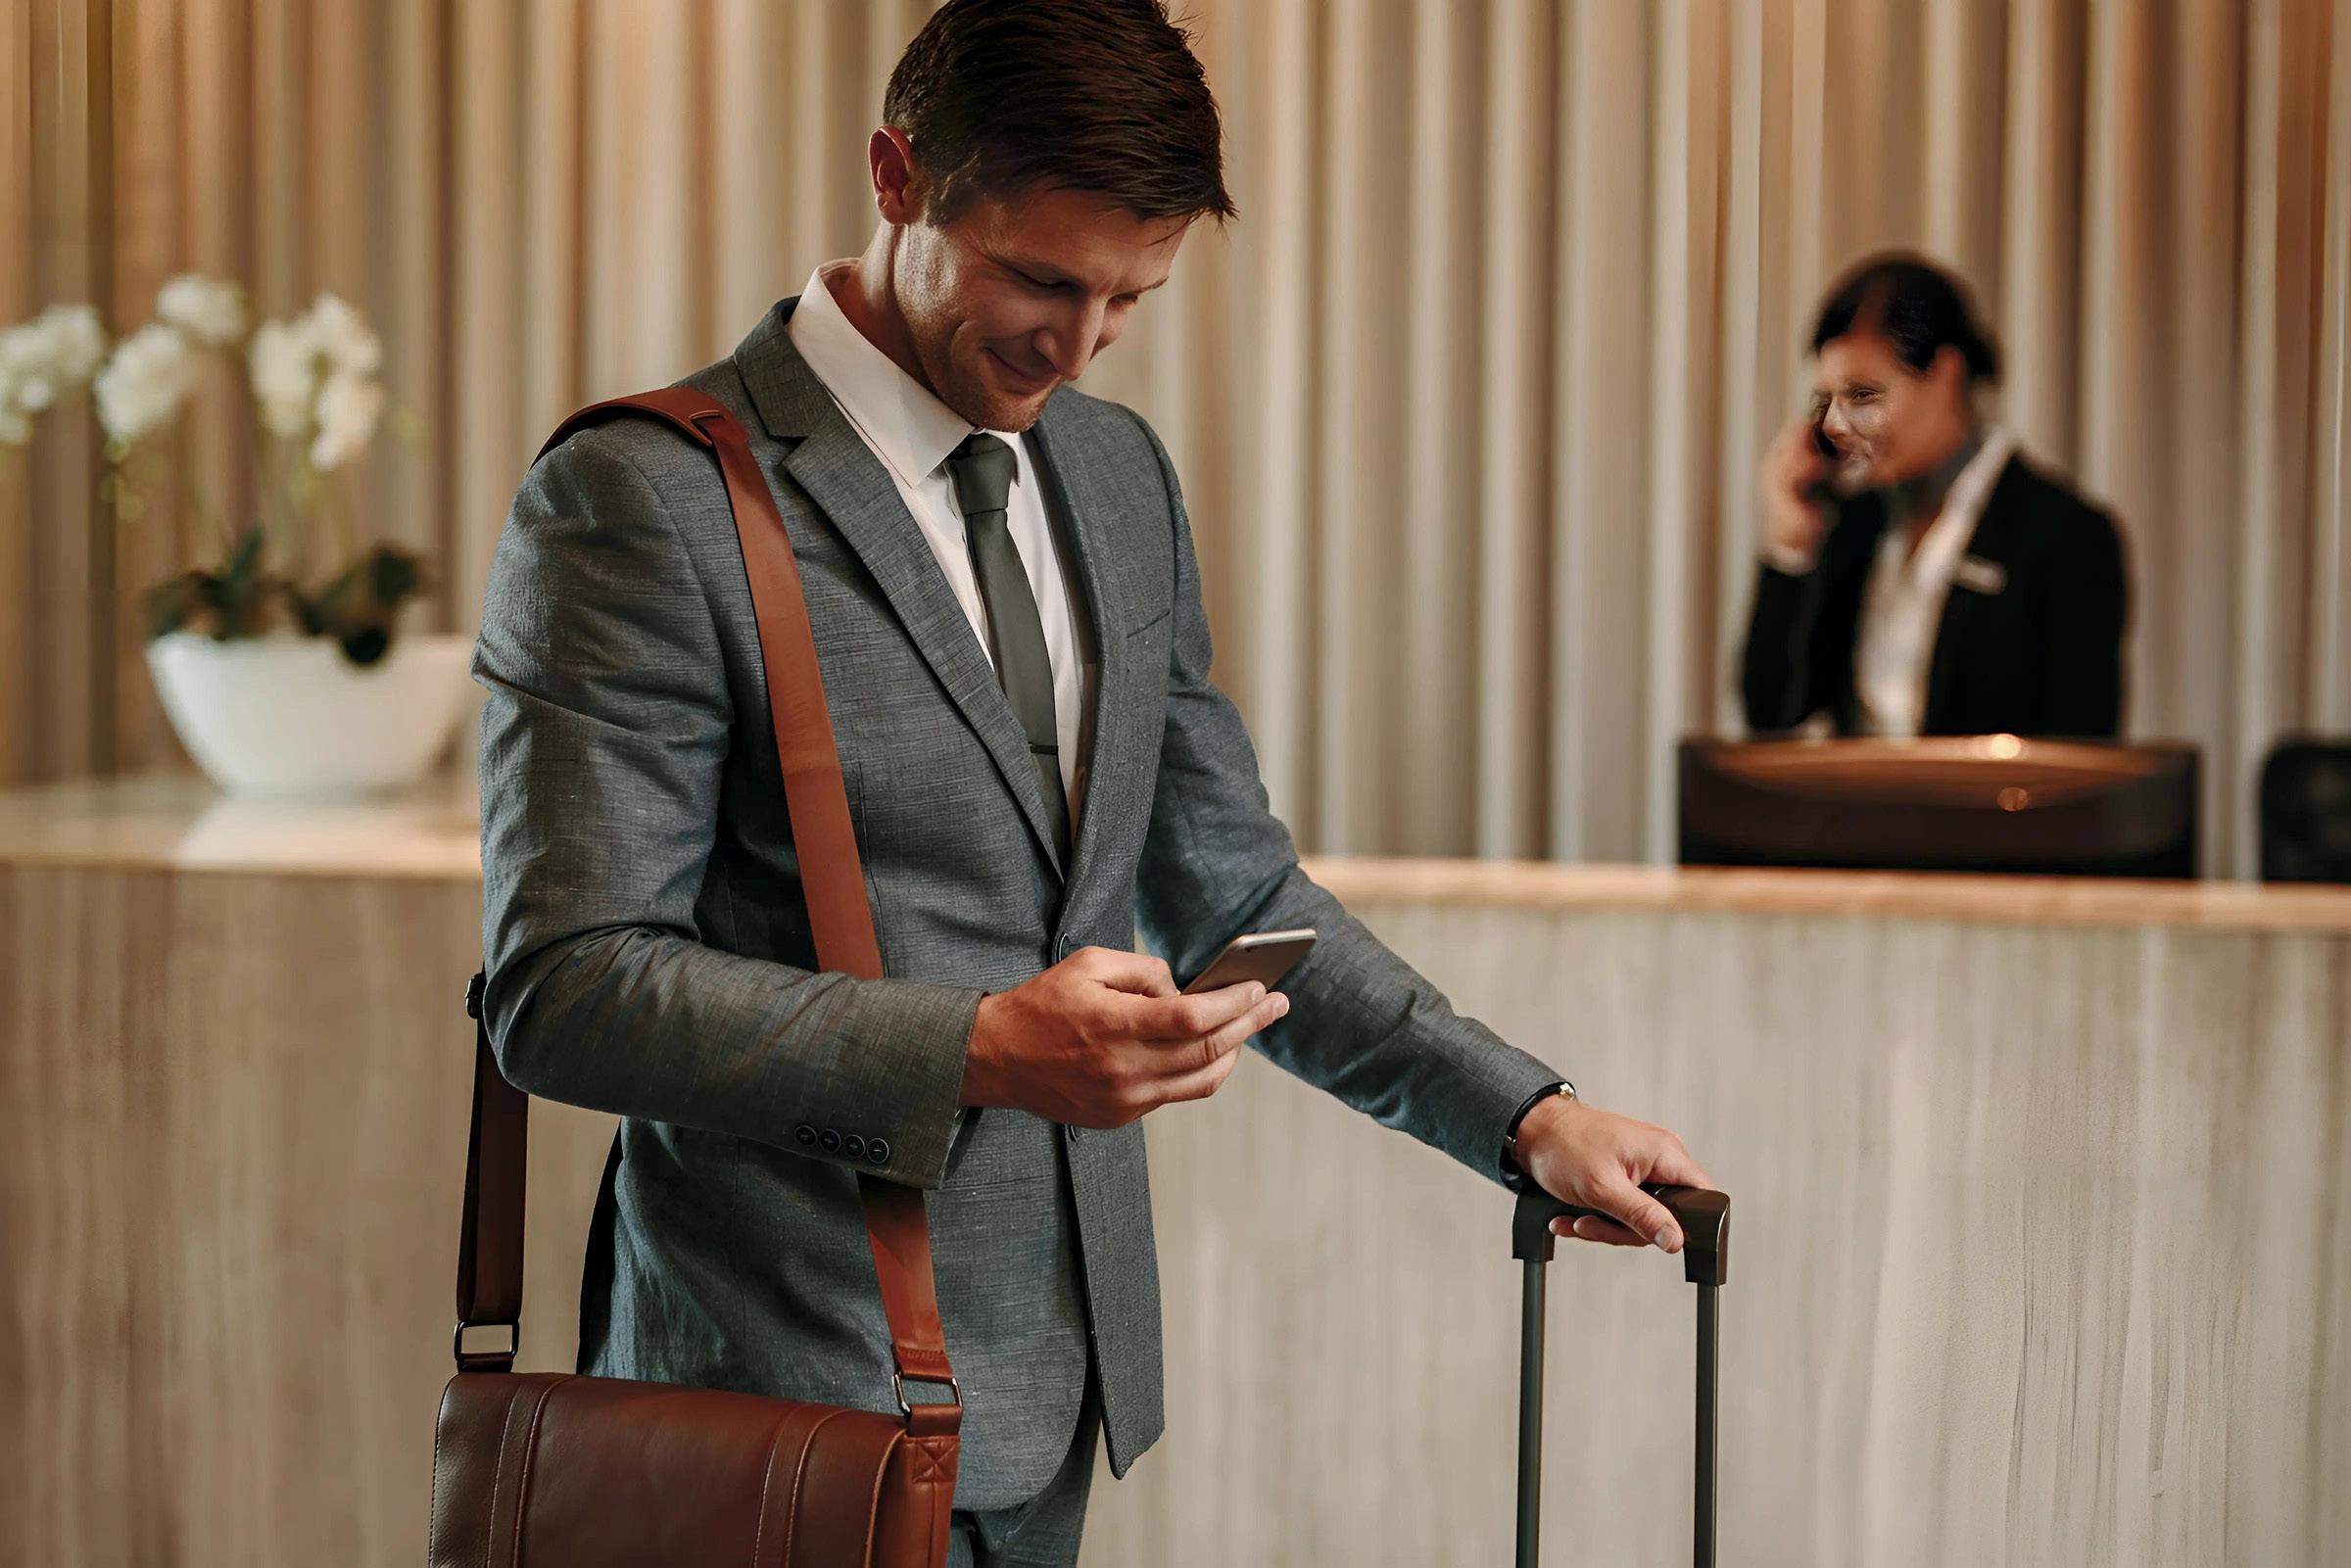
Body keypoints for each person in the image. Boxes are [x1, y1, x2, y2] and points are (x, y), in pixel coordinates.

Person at [472, 3, 1710, 1562]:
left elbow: (1234, 892)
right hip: (768, 1407)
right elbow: (567, 987)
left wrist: (1524, 1114)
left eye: (1130, 298)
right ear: (896, 177)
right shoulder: (640, 498)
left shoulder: (1117, 478)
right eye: (1041, 281)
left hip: (1050, 1399)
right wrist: (979, 1049)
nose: (1075, 346)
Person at [1741, 253, 2130, 740]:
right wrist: (1792, 545)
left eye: (1863, 394)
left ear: (1946, 374)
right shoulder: (1855, 524)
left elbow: (2081, 754)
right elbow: (1771, 714)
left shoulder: (2065, 535)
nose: (1837, 426)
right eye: (1828, 399)